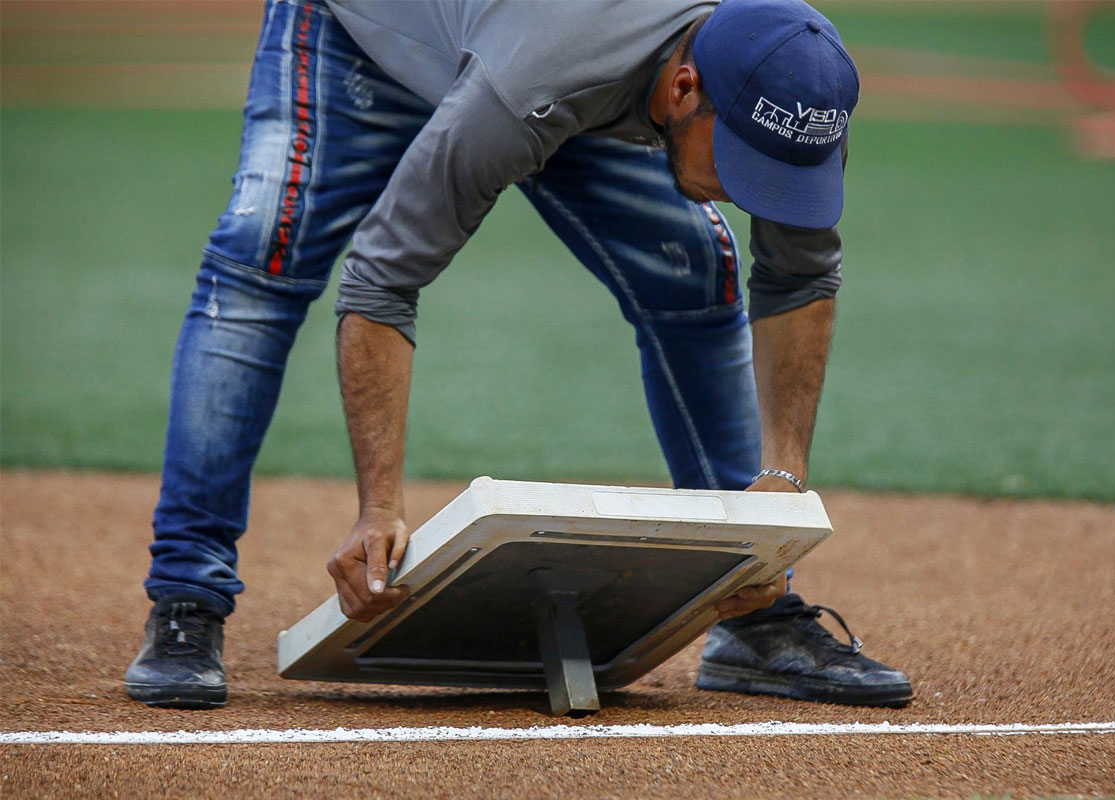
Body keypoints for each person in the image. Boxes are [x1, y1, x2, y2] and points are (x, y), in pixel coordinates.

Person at [125, 0, 913, 711]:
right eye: (743, 167)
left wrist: (776, 500)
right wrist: (379, 508)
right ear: (682, 90)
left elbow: (802, 273)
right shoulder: (539, 81)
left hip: (558, 58)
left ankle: (755, 616)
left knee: (697, 275)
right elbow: (381, 279)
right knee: (261, 264)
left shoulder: (794, 80)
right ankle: (188, 596)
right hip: (369, 36)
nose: (753, 194)